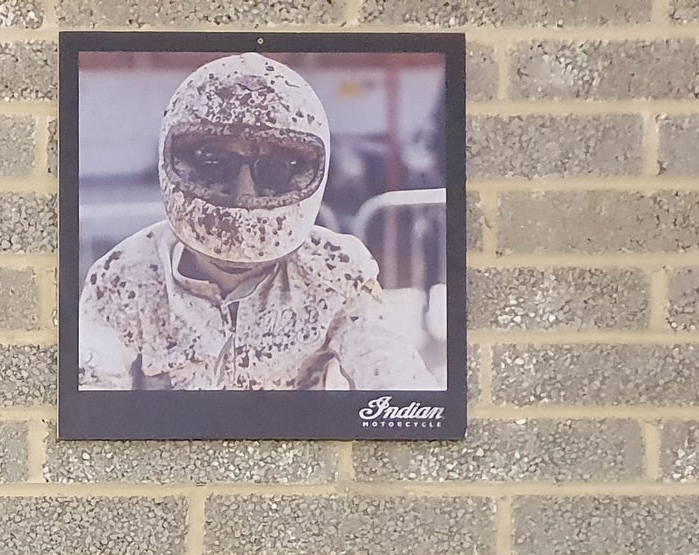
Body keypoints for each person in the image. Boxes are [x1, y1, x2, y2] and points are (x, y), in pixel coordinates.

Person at [77, 52, 436, 394]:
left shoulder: (334, 270)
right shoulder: (125, 276)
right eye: (213, 162)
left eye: (275, 169)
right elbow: (90, 400)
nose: (244, 195)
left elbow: (395, 378)